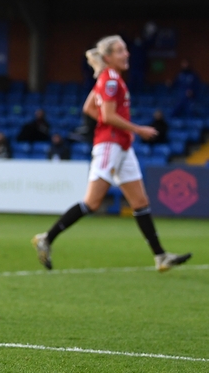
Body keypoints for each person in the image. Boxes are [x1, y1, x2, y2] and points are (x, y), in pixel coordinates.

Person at [32, 35, 191, 273]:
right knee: (92, 202)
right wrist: (137, 129)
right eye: (120, 51)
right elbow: (106, 115)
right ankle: (47, 238)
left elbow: (89, 108)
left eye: (125, 50)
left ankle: (160, 256)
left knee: (140, 202)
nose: (126, 54)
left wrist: (122, 129)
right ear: (108, 57)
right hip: (110, 145)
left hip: (122, 146)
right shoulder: (111, 81)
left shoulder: (108, 78)